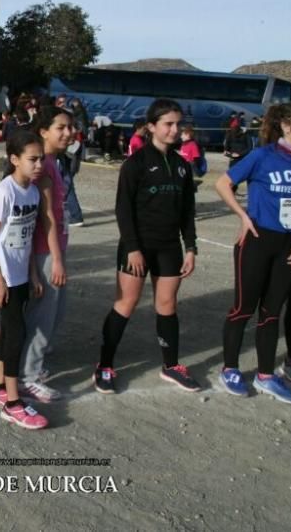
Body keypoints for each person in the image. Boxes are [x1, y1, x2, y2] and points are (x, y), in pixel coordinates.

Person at [94, 99, 200, 394]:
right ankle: (104, 365)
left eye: (178, 124)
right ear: (152, 126)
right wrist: (132, 248)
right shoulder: (136, 163)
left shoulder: (182, 166)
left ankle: (171, 365)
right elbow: (123, 209)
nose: (174, 129)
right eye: (168, 124)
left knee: (167, 305)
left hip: (169, 247)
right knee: (126, 304)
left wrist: (190, 248)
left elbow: (187, 211)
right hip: (137, 246)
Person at [215, 103, 291, 402]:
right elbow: (224, 183)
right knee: (243, 308)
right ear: (286, 126)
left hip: (290, 247)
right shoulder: (262, 155)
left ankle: (265, 375)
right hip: (257, 240)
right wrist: (243, 215)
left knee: (272, 312)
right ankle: (230, 369)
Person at [0, 129, 48, 429]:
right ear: (14, 159)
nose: (39, 165)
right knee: (17, 332)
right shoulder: (4, 192)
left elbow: (29, 236)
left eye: (41, 159)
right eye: (32, 160)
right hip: (3, 274)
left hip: (21, 273)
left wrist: (34, 273)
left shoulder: (33, 193)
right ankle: (12, 402)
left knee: (9, 331)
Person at [18, 107, 74, 403]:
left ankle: (16, 357)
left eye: (70, 127)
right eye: (61, 128)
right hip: (44, 250)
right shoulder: (42, 167)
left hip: (54, 249)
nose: (68, 133)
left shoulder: (53, 162)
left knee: (52, 312)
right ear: (43, 131)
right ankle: (28, 374)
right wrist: (54, 259)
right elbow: (44, 218)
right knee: (44, 315)